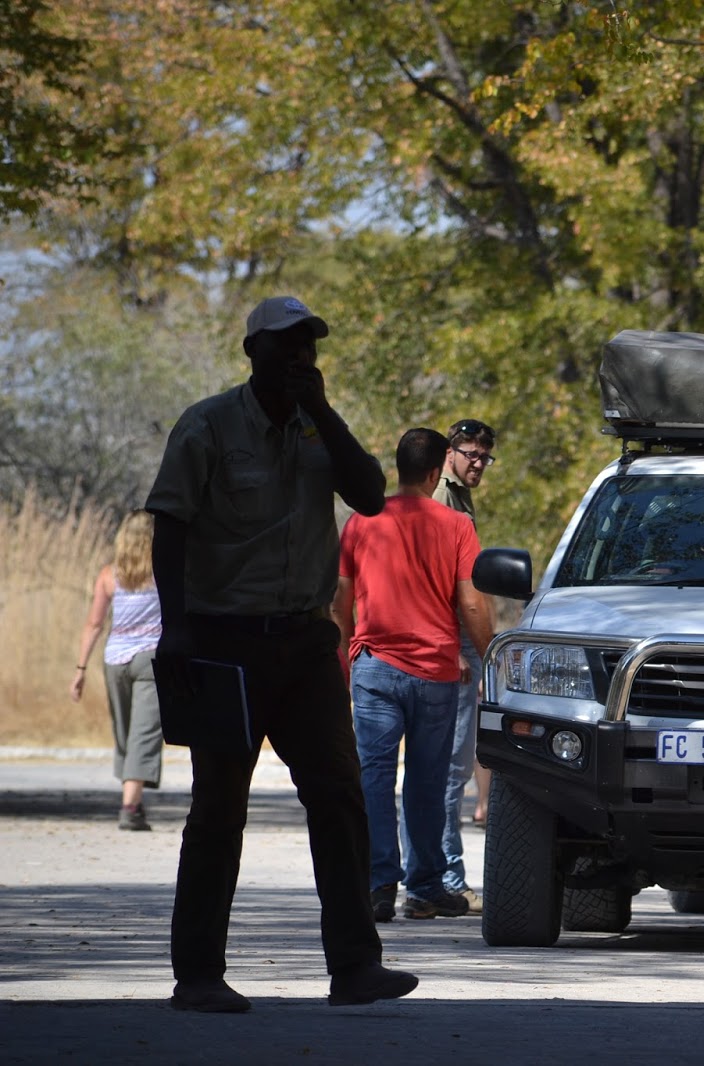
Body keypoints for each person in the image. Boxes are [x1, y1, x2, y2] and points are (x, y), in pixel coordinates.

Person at [145, 295, 415, 1013]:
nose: (299, 356)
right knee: (218, 812)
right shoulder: (207, 425)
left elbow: (368, 498)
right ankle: (198, 975)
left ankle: (356, 967)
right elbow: (168, 526)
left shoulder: (318, 430)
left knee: (340, 795)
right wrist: (175, 627)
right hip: (225, 643)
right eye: (285, 345)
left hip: (303, 645)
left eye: (309, 345)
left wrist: (324, 413)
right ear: (251, 352)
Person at [335, 427, 492, 922]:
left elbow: (340, 597)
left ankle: (379, 884)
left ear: (397, 467)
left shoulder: (362, 521)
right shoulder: (456, 526)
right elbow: (470, 599)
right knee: (426, 781)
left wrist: (345, 657)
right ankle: (424, 888)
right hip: (434, 674)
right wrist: (493, 655)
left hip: (374, 669)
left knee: (375, 778)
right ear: (433, 472)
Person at [431, 417, 497, 908]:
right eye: (469, 453)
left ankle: (436, 874)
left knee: (450, 763)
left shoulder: (459, 496)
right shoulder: (441, 498)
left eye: (483, 456)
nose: (477, 462)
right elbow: (438, 582)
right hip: (448, 639)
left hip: (454, 639)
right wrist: (458, 646)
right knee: (449, 766)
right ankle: (446, 877)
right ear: (449, 453)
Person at [70, 510, 164, 831]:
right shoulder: (163, 572)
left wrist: (81, 667)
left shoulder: (109, 575)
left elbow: (94, 623)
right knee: (143, 733)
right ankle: (129, 806)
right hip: (150, 658)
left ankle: (133, 802)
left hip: (115, 660)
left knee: (125, 732)